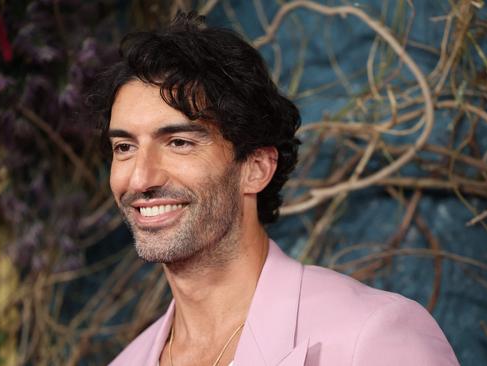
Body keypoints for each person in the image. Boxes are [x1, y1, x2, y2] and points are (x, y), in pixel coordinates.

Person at [94, 11, 458, 366]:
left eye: (179, 142)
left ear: (256, 168)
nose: (141, 179)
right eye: (124, 148)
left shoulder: (373, 337)